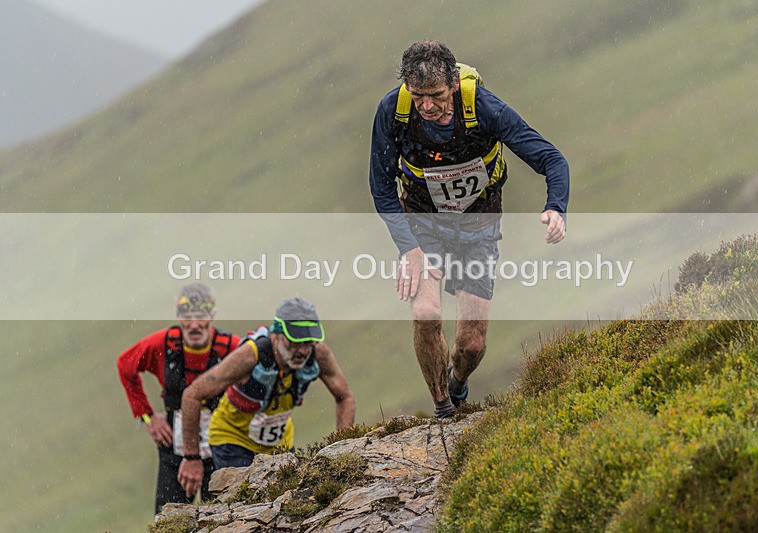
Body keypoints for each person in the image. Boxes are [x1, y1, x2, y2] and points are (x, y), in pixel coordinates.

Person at [369, 40, 570, 418]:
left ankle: (458, 384)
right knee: (426, 313)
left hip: (479, 225)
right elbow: (380, 187)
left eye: (435, 96)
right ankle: (443, 407)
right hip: (424, 223)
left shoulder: (482, 107)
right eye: (417, 96)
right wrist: (408, 248)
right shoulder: (393, 112)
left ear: (452, 82)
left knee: (472, 344)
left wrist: (555, 207)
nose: (426, 106)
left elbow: (551, 158)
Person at [177, 297, 355, 498]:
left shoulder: (318, 354)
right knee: (245, 505)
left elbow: (345, 397)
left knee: (289, 501)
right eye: (295, 341)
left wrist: (342, 447)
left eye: (308, 342)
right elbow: (191, 395)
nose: (303, 350)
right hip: (233, 440)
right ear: (277, 335)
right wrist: (191, 458)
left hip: (280, 443)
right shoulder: (251, 355)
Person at [117, 283, 240, 515]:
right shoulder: (162, 344)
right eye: (187, 316)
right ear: (178, 316)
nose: (194, 325)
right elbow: (125, 365)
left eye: (201, 316)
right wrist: (147, 416)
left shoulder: (232, 348)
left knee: (223, 518)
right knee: (166, 520)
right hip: (175, 446)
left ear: (212, 315)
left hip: (222, 446)